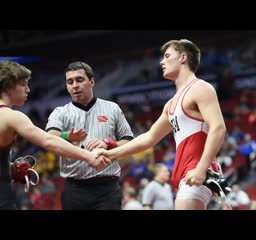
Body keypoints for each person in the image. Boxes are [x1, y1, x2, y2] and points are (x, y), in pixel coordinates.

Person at [106, 39, 227, 210]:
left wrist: (201, 168)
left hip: (197, 168)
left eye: (167, 56)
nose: (161, 62)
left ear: (183, 58)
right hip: (184, 173)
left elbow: (218, 128)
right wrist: (111, 154)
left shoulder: (200, 88)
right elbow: (148, 138)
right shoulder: (170, 104)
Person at [0, 61, 111, 210]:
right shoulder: (11, 116)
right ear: (8, 87)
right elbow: (48, 141)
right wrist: (88, 156)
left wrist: (11, 168)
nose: (28, 90)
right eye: (23, 84)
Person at [46, 61, 134, 210]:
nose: (74, 85)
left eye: (79, 80)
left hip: (107, 189)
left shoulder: (112, 108)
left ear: (92, 82)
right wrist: (67, 136)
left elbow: (129, 142)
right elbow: (49, 137)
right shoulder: (60, 112)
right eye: (70, 82)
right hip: (75, 189)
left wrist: (109, 144)